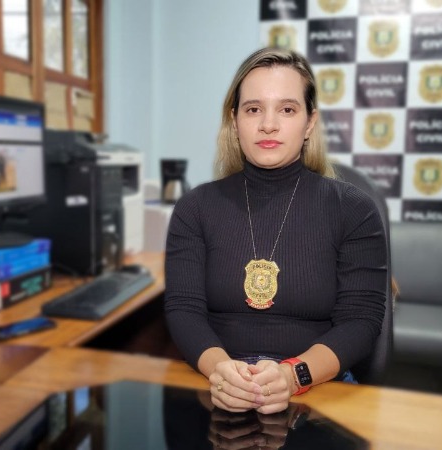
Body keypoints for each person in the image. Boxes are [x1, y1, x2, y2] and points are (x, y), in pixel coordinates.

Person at [164, 48, 388, 415]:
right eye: (253, 109)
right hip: (217, 382)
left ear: (309, 123)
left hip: (315, 388)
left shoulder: (354, 209)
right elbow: (183, 310)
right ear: (234, 120)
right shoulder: (195, 207)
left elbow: (361, 321)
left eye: (287, 109)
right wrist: (222, 371)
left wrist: (293, 375)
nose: (268, 125)